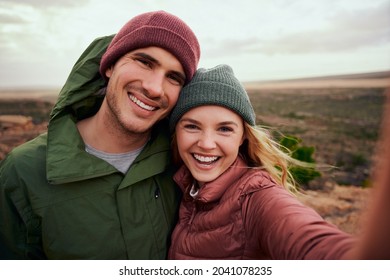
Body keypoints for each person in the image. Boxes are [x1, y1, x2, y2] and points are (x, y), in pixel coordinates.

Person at [0, 10, 200, 260]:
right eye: (144, 62)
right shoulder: (23, 172)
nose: (154, 88)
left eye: (174, 77)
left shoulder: (183, 165)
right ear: (110, 65)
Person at [167, 64, 390, 259]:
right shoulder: (181, 183)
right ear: (175, 130)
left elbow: (312, 242)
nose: (206, 143)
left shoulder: (257, 197)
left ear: (244, 136)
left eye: (224, 129)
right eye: (192, 126)